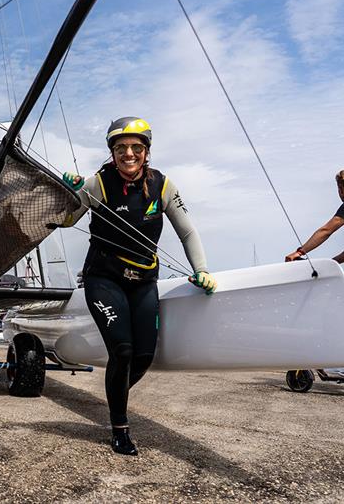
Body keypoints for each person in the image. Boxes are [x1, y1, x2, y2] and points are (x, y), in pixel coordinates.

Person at [63, 116, 216, 456]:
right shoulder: (98, 184)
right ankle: (120, 427)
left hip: (144, 279)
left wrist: (201, 269)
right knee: (123, 350)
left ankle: (114, 393)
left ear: (146, 152)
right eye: (121, 148)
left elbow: (187, 231)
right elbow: (66, 220)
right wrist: (70, 193)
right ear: (113, 152)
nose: (128, 154)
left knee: (144, 357)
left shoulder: (162, 185)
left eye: (135, 147)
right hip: (103, 278)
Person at [285, 169, 344, 375]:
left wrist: (300, 251)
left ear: (341, 189)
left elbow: (327, 230)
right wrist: (333, 261)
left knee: (341, 315)